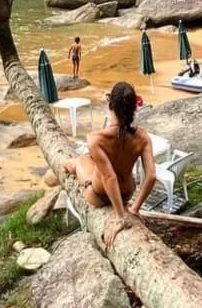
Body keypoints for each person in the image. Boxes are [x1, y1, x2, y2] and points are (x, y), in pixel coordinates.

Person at [63, 81, 156, 248]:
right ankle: (69, 165)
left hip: (99, 195)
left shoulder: (96, 139)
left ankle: (66, 166)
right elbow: (151, 176)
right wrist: (133, 209)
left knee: (79, 162)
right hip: (126, 194)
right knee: (91, 160)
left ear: (111, 105)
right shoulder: (142, 136)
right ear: (133, 109)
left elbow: (109, 177)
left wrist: (120, 217)